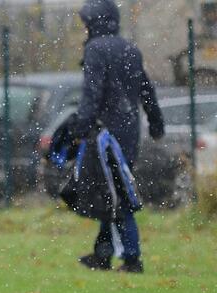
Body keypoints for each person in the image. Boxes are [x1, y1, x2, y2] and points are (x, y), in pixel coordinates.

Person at [65, 0, 164, 274]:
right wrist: (156, 123)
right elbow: (147, 90)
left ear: (95, 21)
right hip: (129, 133)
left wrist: (80, 128)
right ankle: (102, 254)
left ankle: (132, 258)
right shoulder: (130, 49)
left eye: (86, 23)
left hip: (106, 135)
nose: (84, 28)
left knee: (116, 195)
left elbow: (92, 94)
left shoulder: (96, 50)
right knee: (111, 193)